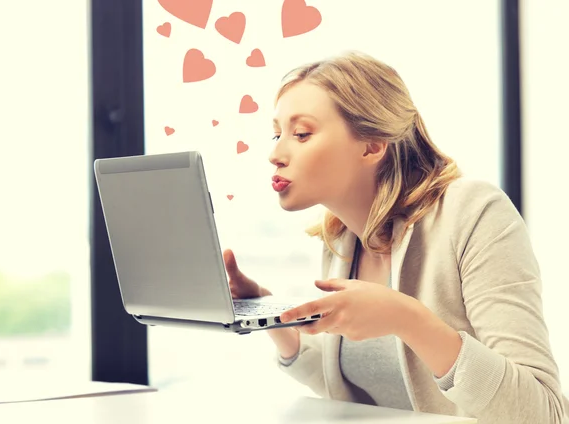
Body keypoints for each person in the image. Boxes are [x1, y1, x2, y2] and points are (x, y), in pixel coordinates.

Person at [222, 51, 569, 423]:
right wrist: (271, 316)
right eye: (277, 133)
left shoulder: (473, 211)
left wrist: (407, 318)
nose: (275, 153)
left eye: (301, 134)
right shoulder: (340, 237)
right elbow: (363, 392)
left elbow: (542, 413)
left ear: (372, 145)